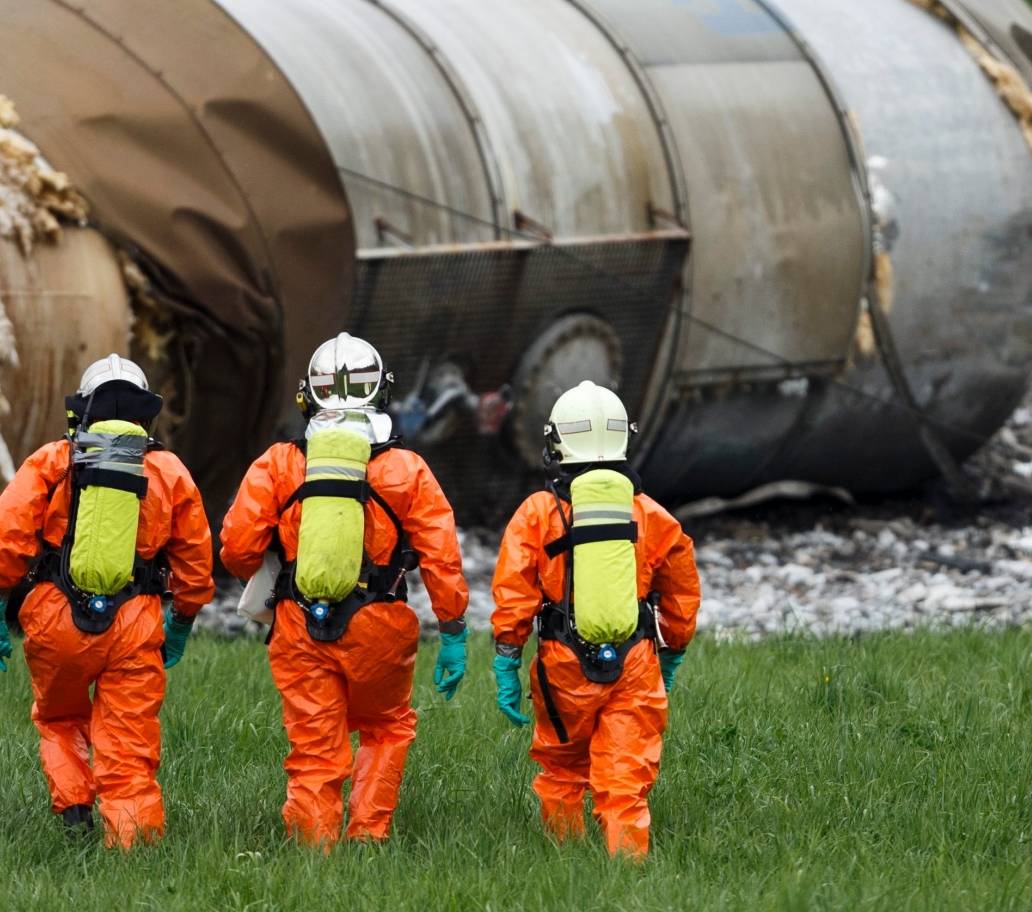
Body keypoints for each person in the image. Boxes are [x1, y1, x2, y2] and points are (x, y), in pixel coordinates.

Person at [220, 332, 470, 847]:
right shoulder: (407, 469)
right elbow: (441, 557)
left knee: (314, 745)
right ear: (381, 393)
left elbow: (236, 548)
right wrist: (453, 629)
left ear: (307, 397)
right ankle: (368, 835)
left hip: (299, 625)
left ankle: (315, 850)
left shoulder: (280, 463)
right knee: (386, 727)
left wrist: (278, 560)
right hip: (382, 624)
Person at [0, 353, 213, 848]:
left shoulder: (52, 460)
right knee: (129, 740)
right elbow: (195, 559)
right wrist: (183, 621)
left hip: (54, 619)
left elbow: (7, 537)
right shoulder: (168, 469)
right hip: (134, 623)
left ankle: (76, 809)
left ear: (81, 412)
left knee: (60, 719)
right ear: (146, 414)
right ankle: (132, 842)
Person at [490, 380, 699, 858]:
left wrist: (506, 656)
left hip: (561, 666)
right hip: (635, 663)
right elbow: (682, 591)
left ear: (557, 443)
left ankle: (565, 859)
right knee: (625, 778)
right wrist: (674, 650)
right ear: (624, 438)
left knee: (562, 768)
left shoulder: (538, 514)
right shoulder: (650, 515)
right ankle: (627, 869)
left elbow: (514, 590)